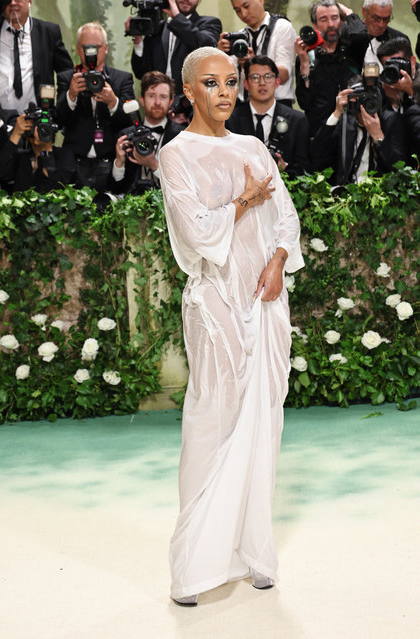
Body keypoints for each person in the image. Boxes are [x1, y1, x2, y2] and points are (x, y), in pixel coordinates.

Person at [158, 46, 304, 606]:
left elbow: (285, 217)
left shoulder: (250, 147)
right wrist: (244, 200)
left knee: (263, 419)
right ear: (189, 92)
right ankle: (194, 565)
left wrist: (276, 262)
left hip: (264, 300)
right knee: (211, 421)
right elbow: (197, 234)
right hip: (215, 304)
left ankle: (252, 553)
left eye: (231, 83)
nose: (225, 93)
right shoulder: (176, 156)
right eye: (212, 84)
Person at [55, 22, 135, 192]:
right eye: (86, 47)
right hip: (73, 165)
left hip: (109, 163)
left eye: (96, 47)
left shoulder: (122, 79)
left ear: (105, 48)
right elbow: (59, 120)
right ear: (78, 49)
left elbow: (133, 123)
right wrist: (71, 95)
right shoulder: (67, 78)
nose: (91, 53)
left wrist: (113, 102)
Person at [310, 75, 409, 185]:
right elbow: (316, 153)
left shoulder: (390, 120)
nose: (364, 103)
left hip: (381, 191)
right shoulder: (345, 122)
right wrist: (337, 113)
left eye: (369, 97)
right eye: (359, 98)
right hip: (346, 191)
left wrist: (379, 137)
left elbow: (400, 169)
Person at [227, 55, 311, 176]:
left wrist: (285, 167)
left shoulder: (297, 120)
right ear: (246, 84)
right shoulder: (231, 119)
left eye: (268, 77)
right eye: (255, 77)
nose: (262, 83)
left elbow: (305, 169)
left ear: (277, 82)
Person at [110, 71, 185, 195]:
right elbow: (116, 188)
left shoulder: (182, 136)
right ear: (142, 100)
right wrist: (119, 162)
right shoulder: (125, 136)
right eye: (151, 96)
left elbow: (183, 186)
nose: (157, 102)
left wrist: (154, 165)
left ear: (171, 101)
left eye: (163, 97)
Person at [294, 0, 360, 137]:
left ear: (342, 20)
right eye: (323, 19)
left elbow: (363, 34)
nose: (331, 25)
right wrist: (304, 64)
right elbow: (304, 103)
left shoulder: (353, 49)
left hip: (351, 130)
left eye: (335, 18)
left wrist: (349, 14)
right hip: (319, 132)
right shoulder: (308, 56)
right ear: (315, 25)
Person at [128, 0, 221, 96]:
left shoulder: (210, 23)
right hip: (160, 103)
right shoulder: (158, 28)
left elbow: (205, 47)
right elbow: (141, 73)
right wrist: (137, 39)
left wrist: (177, 17)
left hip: (191, 102)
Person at [0, 0, 73, 111]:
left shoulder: (48, 32)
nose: (12, 3)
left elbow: (66, 71)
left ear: (29, 1)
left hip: (38, 118)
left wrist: (59, 107)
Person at [218, 0, 296, 106]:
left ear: (261, 1)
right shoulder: (239, 37)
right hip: (244, 107)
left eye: (246, 6)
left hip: (278, 105)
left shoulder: (282, 27)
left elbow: (283, 76)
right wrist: (220, 56)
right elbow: (225, 82)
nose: (244, 14)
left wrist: (255, 63)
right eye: (237, 10)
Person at [340, 0, 410, 72]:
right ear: (364, 11)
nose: (381, 25)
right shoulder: (347, 35)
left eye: (386, 19)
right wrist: (350, 15)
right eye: (376, 18)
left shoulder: (399, 39)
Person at [376, 37, 418, 113]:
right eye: (389, 66)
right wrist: (393, 102)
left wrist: (411, 92)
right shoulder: (383, 85)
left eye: (398, 64)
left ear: (413, 62)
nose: (394, 70)